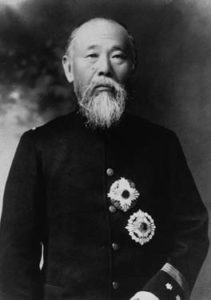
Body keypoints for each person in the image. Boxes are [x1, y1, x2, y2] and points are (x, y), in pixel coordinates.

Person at [0, 17, 209, 300]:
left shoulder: (162, 144)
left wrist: (159, 293)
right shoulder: (38, 146)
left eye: (118, 56)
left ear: (132, 66)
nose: (105, 69)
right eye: (91, 56)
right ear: (69, 68)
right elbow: (14, 256)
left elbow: (192, 231)